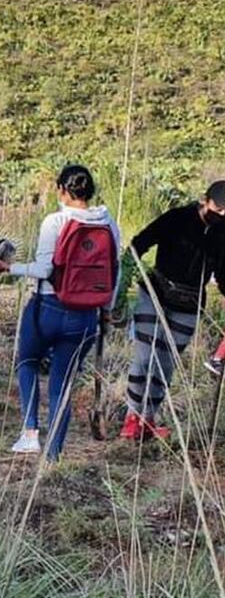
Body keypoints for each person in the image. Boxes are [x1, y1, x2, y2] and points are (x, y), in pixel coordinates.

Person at [0, 164, 120, 461]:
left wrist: (9, 268)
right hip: (85, 316)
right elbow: (115, 270)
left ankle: (30, 433)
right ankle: (53, 456)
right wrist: (107, 310)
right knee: (62, 384)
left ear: (62, 190)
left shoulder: (55, 221)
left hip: (48, 307)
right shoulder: (108, 222)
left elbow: (44, 269)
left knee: (27, 361)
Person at [123, 180, 225, 440]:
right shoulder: (177, 218)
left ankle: (149, 418)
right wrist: (123, 279)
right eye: (218, 209)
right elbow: (139, 242)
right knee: (144, 358)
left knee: (166, 365)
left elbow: (223, 274)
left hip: (189, 304)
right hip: (155, 293)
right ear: (205, 201)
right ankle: (132, 417)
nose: (222, 215)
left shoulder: (223, 233)